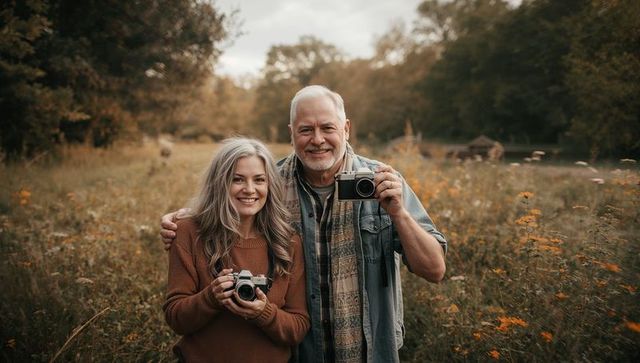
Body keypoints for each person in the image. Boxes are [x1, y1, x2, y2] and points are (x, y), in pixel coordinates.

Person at [161, 86, 447, 363]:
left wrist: (399, 213)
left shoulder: (381, 182)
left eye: (328, 128)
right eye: (306, 130)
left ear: (346, 129)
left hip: (367, 350)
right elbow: (226, 203)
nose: (317, 139)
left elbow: (434, 270)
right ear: (291, 133)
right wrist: (183, 219)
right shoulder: (269, 183)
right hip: (299, 353)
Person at [163, 137, 310, 362]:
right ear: (220, 183)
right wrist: (211, 297)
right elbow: (176, 318)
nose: (250, 190)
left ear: (270, 185)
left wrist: (263, 313)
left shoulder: (287, 242)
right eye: (237, 179)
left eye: (259, 180)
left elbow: (298, 328)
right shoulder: (188, 232)